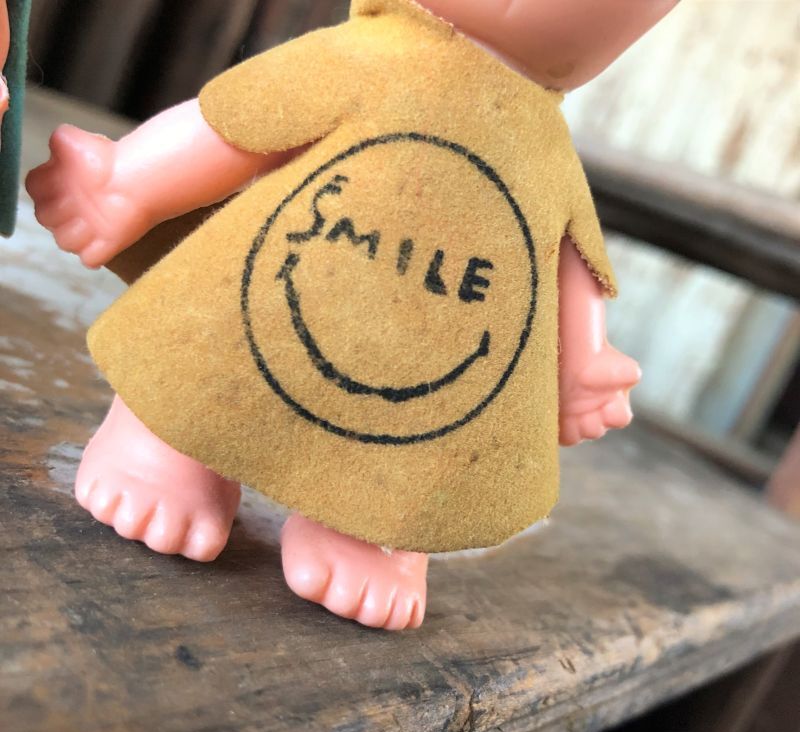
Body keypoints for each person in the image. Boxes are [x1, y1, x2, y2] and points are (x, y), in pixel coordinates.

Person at [27, 0, 676, 629]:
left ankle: (375, 533)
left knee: (417, 455)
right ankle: (163, 450)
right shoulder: (371, 53)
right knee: (209, 351)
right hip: (270, 290)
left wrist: (583, 363)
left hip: (432, 365)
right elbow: (236, 125)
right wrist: (127, 181)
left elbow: (568, 262)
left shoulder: (546, 152)